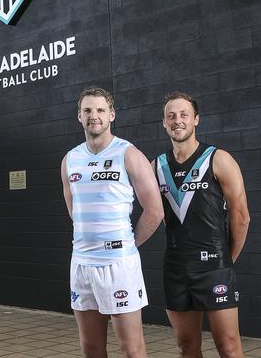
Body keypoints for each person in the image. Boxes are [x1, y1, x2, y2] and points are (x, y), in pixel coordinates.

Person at [60, 87, 163, 358]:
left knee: (131, 349)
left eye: (100, 110)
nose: (94, 115)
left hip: (118, 265)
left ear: (112, 115)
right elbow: (75, 210)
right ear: (79, 117)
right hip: (81, 264)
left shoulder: (128, 154)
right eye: (88, 110)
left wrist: (127, 244)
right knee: (91, 348)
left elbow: (154, 210)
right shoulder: (70, 160)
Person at [153, 91, 250, 358]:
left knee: (229, 347)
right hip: (176, 268)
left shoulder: (218, 159)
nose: (177, 120)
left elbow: (242, 217)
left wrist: (225, 260)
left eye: (184, 114)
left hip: (214, 267)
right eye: (171, 116)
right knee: (186, 347)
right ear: (164, 122)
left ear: (196, 119)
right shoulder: (156, 166)